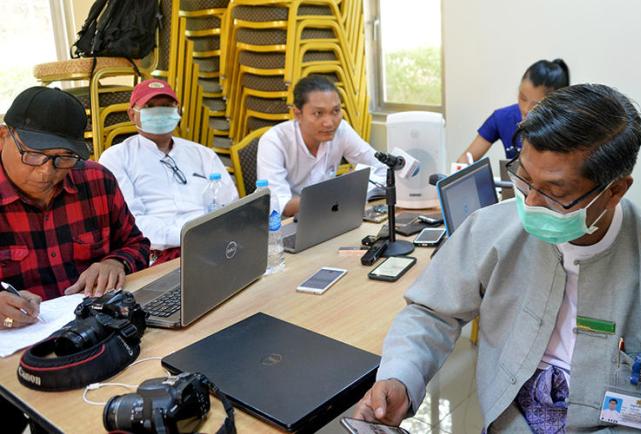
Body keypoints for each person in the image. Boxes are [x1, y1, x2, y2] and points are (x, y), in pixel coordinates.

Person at [354, 84, 641, 432]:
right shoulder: (491, 229)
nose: (531, 203)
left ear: (615, 190)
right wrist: (400, 375)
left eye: (555, 192)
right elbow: (430, 312)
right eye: (524, 179)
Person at [0, 86, 150, 433]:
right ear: (4, 135)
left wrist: (117, 262)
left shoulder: (96, 181)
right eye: (34, 155)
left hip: (95, 342)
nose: (46, 172)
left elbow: (137, 245)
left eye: (63, 158)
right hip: (14, 362)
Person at [99, 79, 238, 264]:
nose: (159, 112)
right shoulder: (116, 158)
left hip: (213, 245)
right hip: (156, 256)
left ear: (177, 111)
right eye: (150, 106)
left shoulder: (202, 154)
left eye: (166, 106)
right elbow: (132, 223)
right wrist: (187, 235)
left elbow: (230, 204)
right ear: (132, 115)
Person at [257, 75, 385, 217]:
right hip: (287, 224)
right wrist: (341, 190)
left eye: (335, 111)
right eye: (318, 113)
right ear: (297, 114)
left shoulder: (341, 130)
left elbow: (381, 168)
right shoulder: (274, 141)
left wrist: (352, 186)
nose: (329, 123)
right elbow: (280, 204)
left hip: (328, 215)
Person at [457, 59, 570, 163]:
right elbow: (464, 160)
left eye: (536, 105)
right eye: (523, 98)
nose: (526, 109)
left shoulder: (567, 126)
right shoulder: (502, 118)